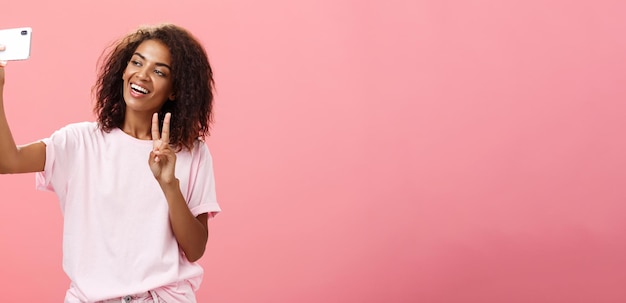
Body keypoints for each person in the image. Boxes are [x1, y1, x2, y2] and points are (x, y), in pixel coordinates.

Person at [0, 23, 221, 303]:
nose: (142, 75)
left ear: (175, 90)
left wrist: (170, 185)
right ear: (124, 70)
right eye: (137, 63)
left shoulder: (193, 153)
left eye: (158, 71)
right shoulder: (80, 141)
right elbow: (8, 160)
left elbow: (195, 249)